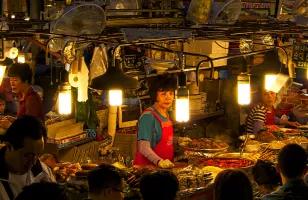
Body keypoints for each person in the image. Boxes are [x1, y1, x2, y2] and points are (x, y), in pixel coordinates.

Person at [0, 115, 55, 200]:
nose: (33, 162)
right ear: (9, 146)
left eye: (38, 155)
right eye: (28, 155)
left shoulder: (43, 173)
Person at [134, 75, 177, 168]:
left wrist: (178, 141)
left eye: (171, 93)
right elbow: (143, 147)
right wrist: (159, 162)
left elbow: (164, 140)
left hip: (164, 169)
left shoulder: (166, 115)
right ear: (155, 95)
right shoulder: (148, 117)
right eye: (163, 94)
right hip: (147, 171)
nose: (168, 98)